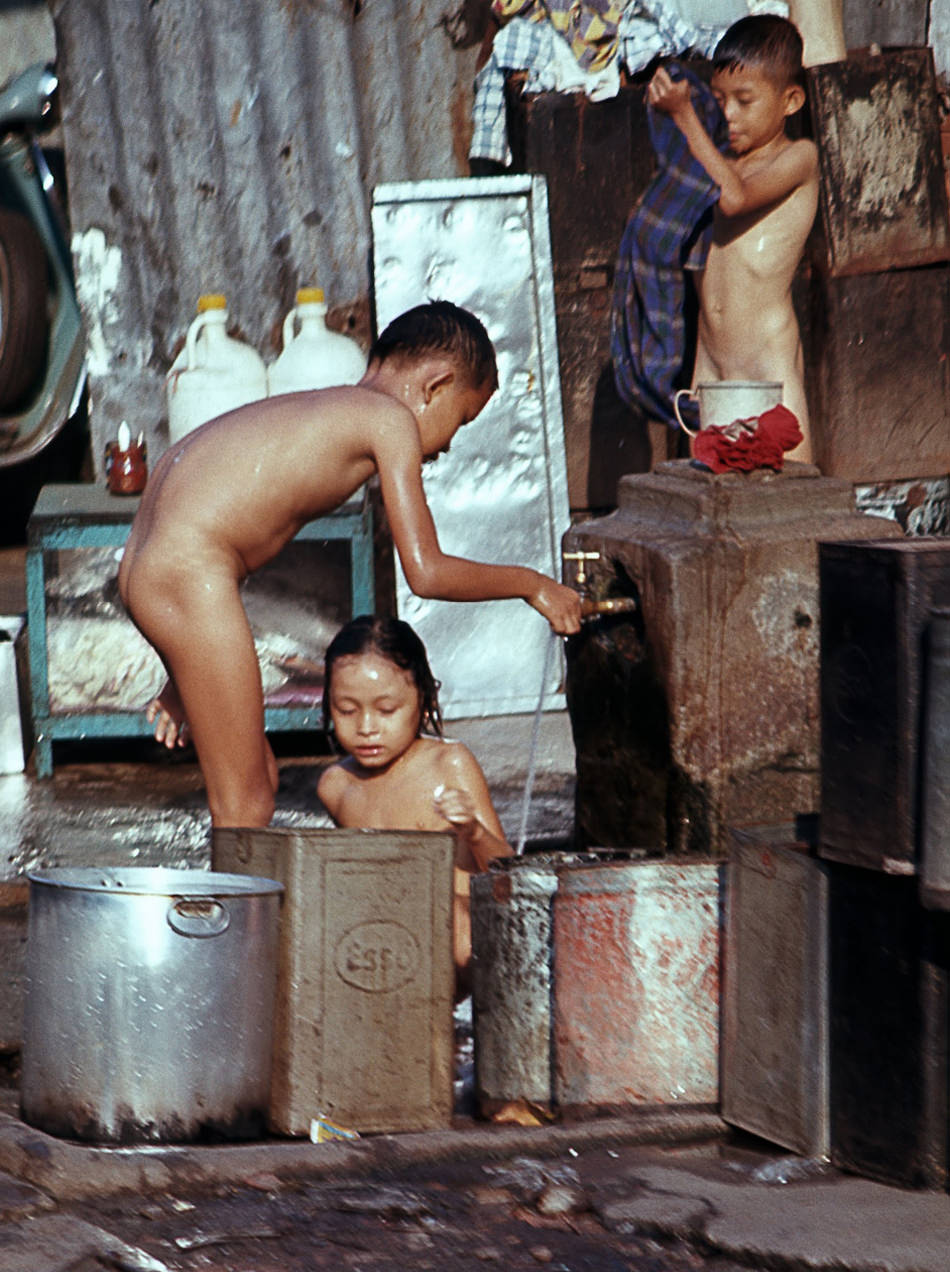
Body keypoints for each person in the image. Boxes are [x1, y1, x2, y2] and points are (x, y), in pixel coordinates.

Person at [118, 301, 582, 829]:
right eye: (461, 419)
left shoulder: (326, 406)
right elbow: (425, 572)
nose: (450, 443)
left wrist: (187, 675)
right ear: (435, 385)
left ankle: (241, 907)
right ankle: (233, 913)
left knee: (257, 781)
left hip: (153, 566)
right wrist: (532, 585)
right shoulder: (389, 420)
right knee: (244, 803)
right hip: (187, 573)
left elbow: (210, 505)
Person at [647, 15, 819, 462]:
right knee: (715, 515)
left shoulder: (799, 158)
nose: (728, 115)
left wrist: (685, 114)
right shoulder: (721, 164)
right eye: (720, 100)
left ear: (791, 100)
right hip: (713, 368)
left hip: (769, 368)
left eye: (745, 101)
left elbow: (735, 199)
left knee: (787, 509)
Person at [316, 615, 513, 998]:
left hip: (462, 943)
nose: (367, 726)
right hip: (384, 943)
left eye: (387, 710)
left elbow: (508, 875)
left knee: (443, 915)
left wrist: (473, 829)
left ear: (423, 701)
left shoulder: (448, 764)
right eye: (346, 710)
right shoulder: (336, 786)